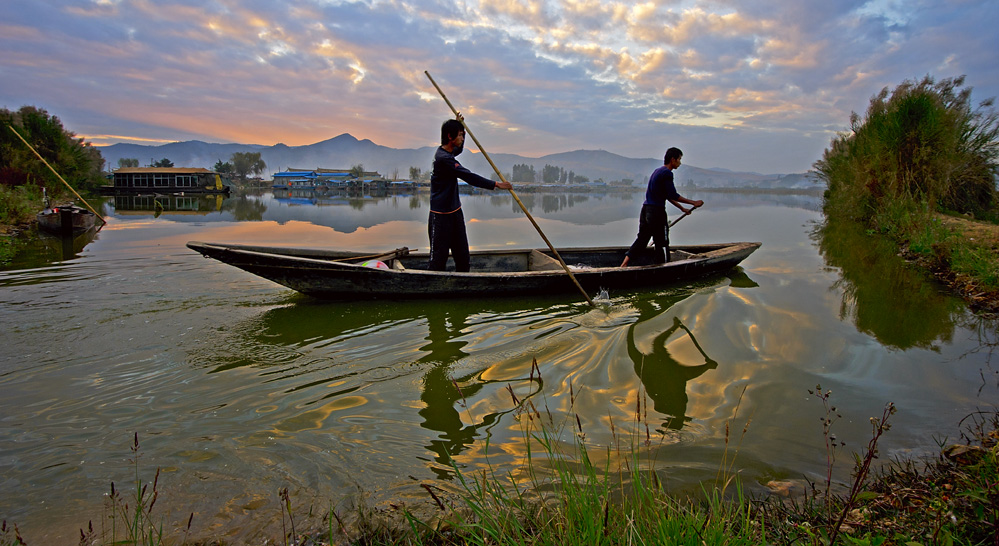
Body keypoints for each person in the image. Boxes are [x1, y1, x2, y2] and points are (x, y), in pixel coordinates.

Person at [428, 114, 512, 272]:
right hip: (440, 216)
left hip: (455, 213)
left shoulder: (449, 153)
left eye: (461, 134)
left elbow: (458, 148)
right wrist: (496, 184)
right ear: (449, 136)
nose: (461, 138)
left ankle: (463, 286)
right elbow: (468, 176)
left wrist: (463, 128)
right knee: (437, 261)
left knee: (463, 257)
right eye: (459, 135)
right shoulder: (443, 159)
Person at [620, 147, 703, 267]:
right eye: (679, 159)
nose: (680, 162)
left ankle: (624, 264)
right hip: (656, 212)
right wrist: (693, 202)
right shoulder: (667, 173)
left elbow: (666, 195)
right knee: (662, 243)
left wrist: (682, 209)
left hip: (646, 210)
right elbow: (673, 195)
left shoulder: (657, 171)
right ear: (673, 159)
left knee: (642, 239)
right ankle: (663, 268)